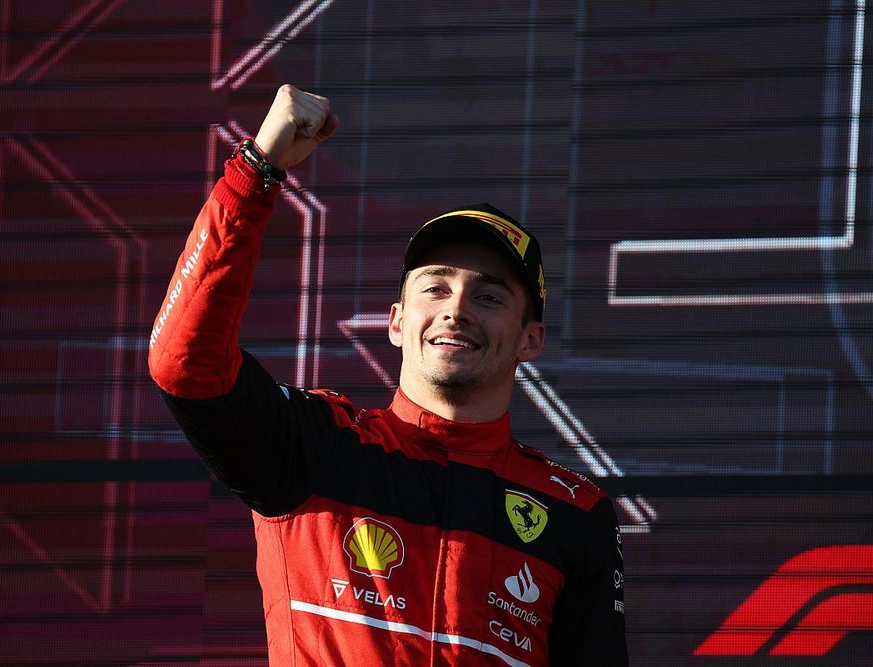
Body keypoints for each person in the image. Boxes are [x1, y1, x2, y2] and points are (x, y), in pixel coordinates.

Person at [149, 84, 628, 666]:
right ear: (397, 322)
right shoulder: (319, 445)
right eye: (436, 287)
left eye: (490, 295)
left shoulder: (574, 513)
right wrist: (257, 170)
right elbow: (184, 361)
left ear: (531, 339)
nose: (457, 309)